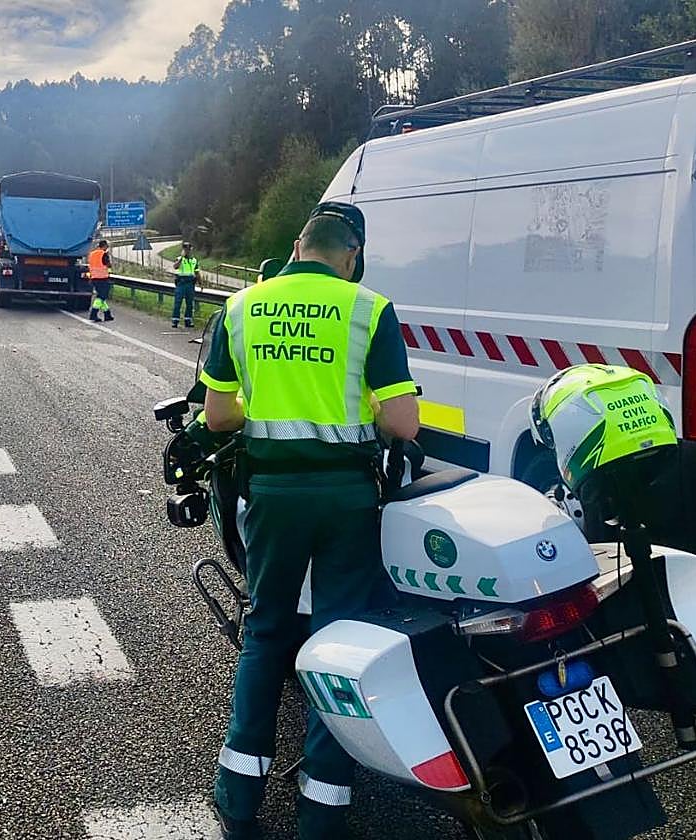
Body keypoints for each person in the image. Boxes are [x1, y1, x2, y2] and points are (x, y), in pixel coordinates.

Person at [199, 202, 420, 840]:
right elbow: (403, 424)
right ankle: (322, 810)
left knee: (266, 632)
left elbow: (218, 416)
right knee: (337, 640)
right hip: (347, 499)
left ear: (298, 247)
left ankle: (239, 797)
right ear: (351, 257)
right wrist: (362, 415)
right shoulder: (369, 309)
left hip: (272, 494)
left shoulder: (242, 307)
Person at [172, 242, 199, 328]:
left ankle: (188, 320)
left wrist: (201, 283)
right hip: (181, 282)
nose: (187, 251)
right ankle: (175, 320)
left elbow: (197, 272)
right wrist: (182, 257)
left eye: (188, 249)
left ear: (191, 250)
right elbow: (175, 266)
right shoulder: (179, 259)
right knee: (178, 302)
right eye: (185, 249)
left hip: (190, 283)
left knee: (190, 303)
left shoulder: (194, 260)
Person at [87, 239, 113, 322]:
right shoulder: (103, 254)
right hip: (102, 278)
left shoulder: (92, 254)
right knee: (101, 297)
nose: (107, 248)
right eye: (107, 246)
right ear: (104, 246)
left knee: (102, 296)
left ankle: (107, 314)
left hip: (94, 278)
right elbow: (108, 265)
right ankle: (93, 314)